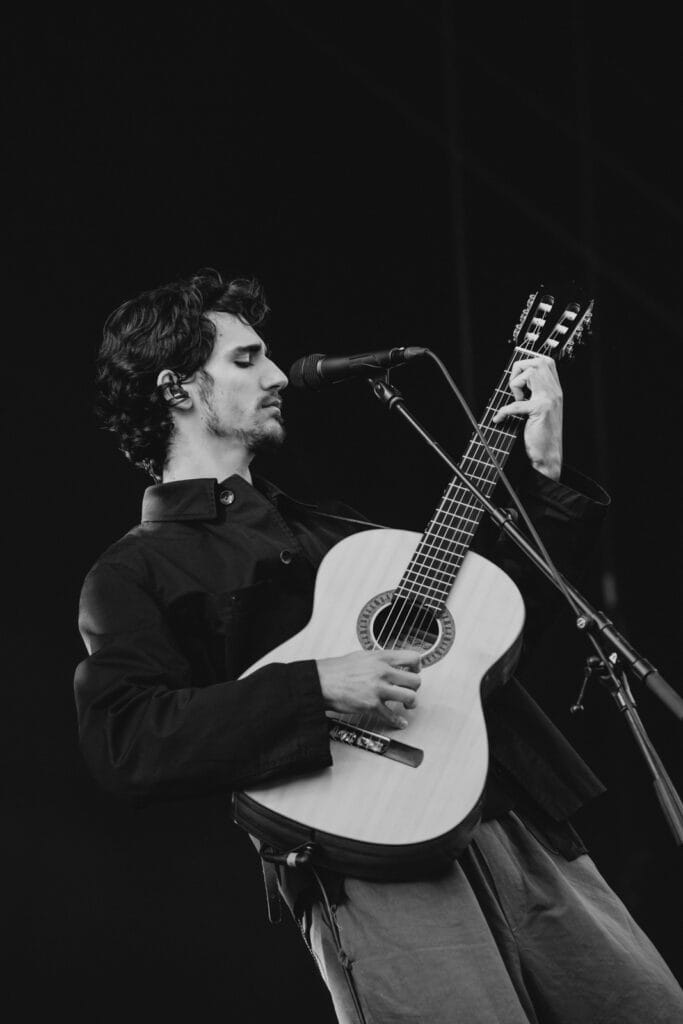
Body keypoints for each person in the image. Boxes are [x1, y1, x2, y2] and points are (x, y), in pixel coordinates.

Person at [75, 267, 683, 1023]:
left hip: (512, 815)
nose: (277, 376)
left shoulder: (340, 531)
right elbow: (125, 738)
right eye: (246, 359)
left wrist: (543, 474)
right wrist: (315, 684)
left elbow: (495, 629)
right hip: (365, 857)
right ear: (176, 388)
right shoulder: (133, 570)